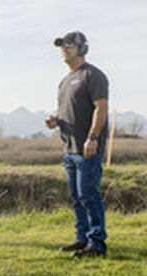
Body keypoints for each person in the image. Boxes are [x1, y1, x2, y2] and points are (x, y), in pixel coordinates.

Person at [45, 31, 109, 258]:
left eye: (69, 45)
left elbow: (101, 108)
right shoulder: (64, 82)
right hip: (69, 148)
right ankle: (82, 239)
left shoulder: (93, 75)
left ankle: (97, 244)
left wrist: (93, 138)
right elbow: (64, 110)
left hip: (87, 149)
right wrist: (55, 119)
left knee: (89, 195)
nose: (64, 49)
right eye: (61, 45)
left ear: (82, 48)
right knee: (77, 197)